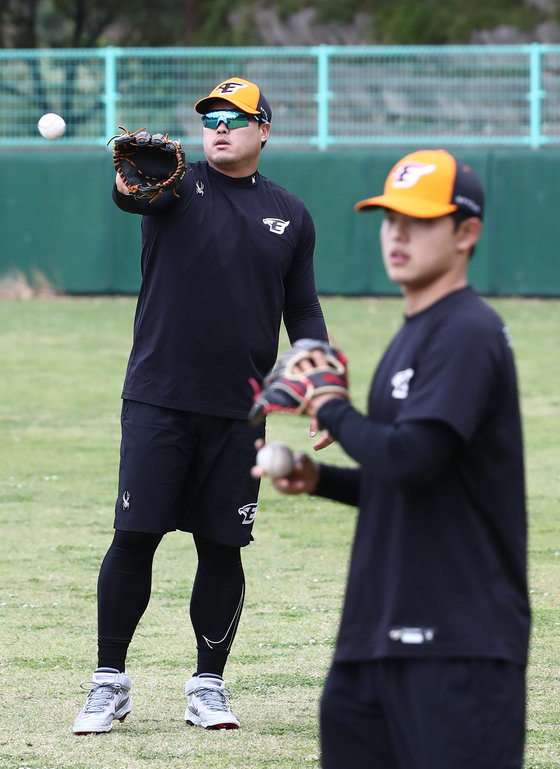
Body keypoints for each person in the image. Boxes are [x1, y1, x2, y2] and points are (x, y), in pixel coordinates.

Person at [251, 149, 531, 769]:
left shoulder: (468, 331)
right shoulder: (415, 333)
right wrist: (319, 477)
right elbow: (412, 478)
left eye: (420, 220)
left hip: (457, 645)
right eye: (389, 217)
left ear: (467, 233)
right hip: (376, 642)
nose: (398, 233)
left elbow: (414, 458)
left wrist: (331, 408)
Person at [72, 76, 329, 735]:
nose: (218, 125)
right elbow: (132, 195)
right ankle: (109, 683)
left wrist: (321, 385)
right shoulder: (175, 186)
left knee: (222, 546)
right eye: (210, 115)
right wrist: (133, 183)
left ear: (263, 129)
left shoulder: (290, 215)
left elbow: (301, 308)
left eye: (235, 116)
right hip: (158, 397)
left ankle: (208, 686)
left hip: (240, 411)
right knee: (136, 536)